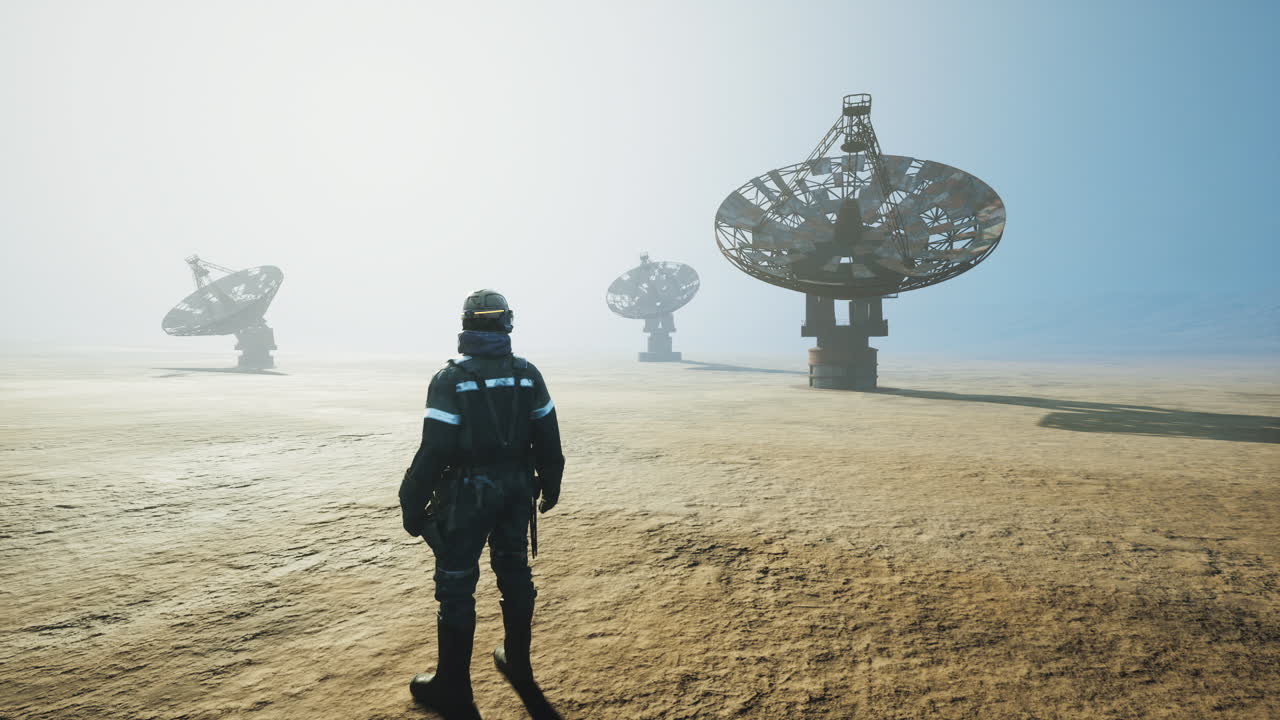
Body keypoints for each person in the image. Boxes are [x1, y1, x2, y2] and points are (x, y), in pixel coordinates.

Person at [399, 289, 565, 720]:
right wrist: (551, 480)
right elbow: (548, 433)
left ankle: (453, 686)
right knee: (514, 572)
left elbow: (434, 450)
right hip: (516, 491)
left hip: (466, 495)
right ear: (507, 323)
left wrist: (412, 501)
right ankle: (518, 663)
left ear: (466, 325)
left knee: (456, 585)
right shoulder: (527, 374)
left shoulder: (449, 379)